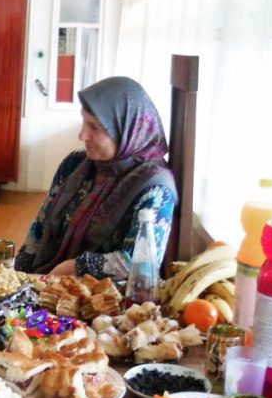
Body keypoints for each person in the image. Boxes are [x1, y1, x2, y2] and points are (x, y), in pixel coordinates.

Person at [15, 76, 178, 278]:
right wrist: (16, 276)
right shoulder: (74, 165)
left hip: (102, 294)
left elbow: (141, 262)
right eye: (84, 122)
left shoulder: (154, 188)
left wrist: (77, 266)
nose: (82, 135)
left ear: (127, 130)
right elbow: (39, 229)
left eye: (95, 127)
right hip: (47, 282)